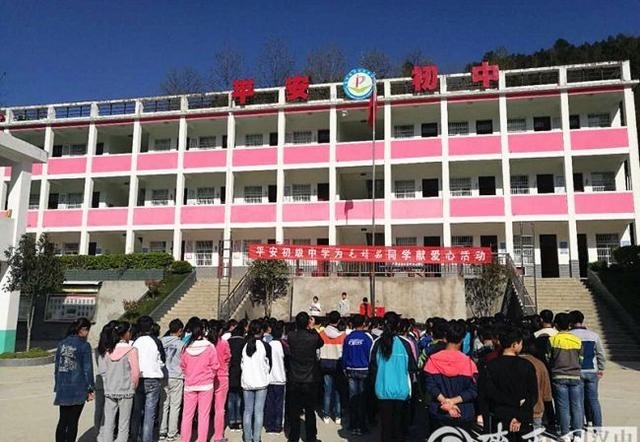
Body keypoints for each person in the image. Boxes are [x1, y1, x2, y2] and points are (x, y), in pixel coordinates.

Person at [479, 328, 538, 441]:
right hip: (522, 419)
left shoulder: (490, 366)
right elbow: (533, 395)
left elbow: (485, 395)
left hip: (498, 417)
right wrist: (519, 417)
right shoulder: (527, 366)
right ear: (514, 344)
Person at [369, 312, 418, 442]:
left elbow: (372, 368)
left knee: (386, 427)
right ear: (398, 325)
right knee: (399, 428)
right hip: (401, 391)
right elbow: (412, 367)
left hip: (382, 390)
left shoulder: (377, 343)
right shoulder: (406, 344)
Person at [425, 321, 478, 430]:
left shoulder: (432, 360)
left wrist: (445, 401)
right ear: (462, 339)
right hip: (463, 412)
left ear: (445, 337)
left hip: (439, 411)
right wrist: (453, 401)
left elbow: (430, 386)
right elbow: (473, 390)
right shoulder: (469, 363)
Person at [97, 321, 140, 442]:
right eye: (129, 332)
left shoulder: (109, 350)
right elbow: (135, 372)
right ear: (126, 333)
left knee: (109, 422)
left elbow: (105, 371)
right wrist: (134, 385)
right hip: (126, 390)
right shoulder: (131, 350)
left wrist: (107, 384)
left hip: (110, 389)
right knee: (123, 423)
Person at [54, 318, 95, 442]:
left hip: (63, 387)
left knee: (62, 420)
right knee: (73, 421)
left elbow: (57, 367)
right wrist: (90, 388)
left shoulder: (62, 344)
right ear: (82, 329)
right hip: (78, 388)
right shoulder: (84, 345)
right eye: (87, 330)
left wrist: (57, 386)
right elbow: (87, 369)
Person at [287, 311, 324, 442]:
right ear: (308, 322)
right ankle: (311, 437)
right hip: (309, 378)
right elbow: (321, 343)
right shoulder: (312, 337)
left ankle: (293, 437)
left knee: (294, 411)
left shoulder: (291, 336)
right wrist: (312, 328)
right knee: (310, 410)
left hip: (294, 378)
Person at [180, 319, 220, 442]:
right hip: (206, 385)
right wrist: (210, 375)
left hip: (190, 384)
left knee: (187, 415)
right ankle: (202, 439)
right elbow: (215, 365)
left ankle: (185, 439)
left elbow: (183, 366)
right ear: (203, 331)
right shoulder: (209, 347)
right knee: (204, 415)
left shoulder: (186, 348)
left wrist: (189, 375)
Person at [549, 313, 584, 441]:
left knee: (563, 407)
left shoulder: (552, 340)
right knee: (577, 406)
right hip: (575, 376)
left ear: (556, 325)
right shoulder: (577, 340)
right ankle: (578, 435)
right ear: (569, 325)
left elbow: (549, 357)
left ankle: (565, 434)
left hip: (559, 375)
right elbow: (581, 358)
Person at [131, 316, 166, 442]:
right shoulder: (156, 341)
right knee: (149, 413)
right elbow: (162, 360)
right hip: (152, 378)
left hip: (138, 378)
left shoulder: (136, 341)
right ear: (151, 326)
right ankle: (147, 439)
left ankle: (135, 437)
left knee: (137, 411)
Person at [570, 310, 605, 428]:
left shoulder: (570, 336)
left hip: (577, 370)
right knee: (593, 400)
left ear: (571, 322)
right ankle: (597, 426)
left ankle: (579, 426)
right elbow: (601, 354)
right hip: (592, 370)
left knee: (578, 401)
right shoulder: (594, 335)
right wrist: (601, 368)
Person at [341, 314, 374, 436]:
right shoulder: (367, 338)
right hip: (364, 370)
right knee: (363, 399)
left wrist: (344, 367)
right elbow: (371, 355)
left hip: (351, 370)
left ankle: (353, 424)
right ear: (364, 324)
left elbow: (344, 354)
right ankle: (362, 425)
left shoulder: (348, 338)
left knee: (353, 398)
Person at [241, 319, 272, 442]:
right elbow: (269, 364)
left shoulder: (245, 345)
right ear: (262, 331)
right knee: (259, 412)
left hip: (247, 382)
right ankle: (257, 437)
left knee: (247, 411)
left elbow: (242, 363)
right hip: (261, 382)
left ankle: (247, 438)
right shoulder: (265, 346)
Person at [520, 334, 553, 430]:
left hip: (518, 408)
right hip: (537, 407)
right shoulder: (539, 364)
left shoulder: (514, 362)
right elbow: (546, 391)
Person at [159, 319, 185, 441]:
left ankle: (162, 430)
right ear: (180, 330)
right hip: (177, 375)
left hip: (163, 374)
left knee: (164, 404)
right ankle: (172, 432)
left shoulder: (161, 342)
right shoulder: (181, 344)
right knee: (175, 405)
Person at [319, 310, 346, 425]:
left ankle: (326, 415)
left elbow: (318, 351)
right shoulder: (343, 335)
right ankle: (338, 415)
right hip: (337, 364)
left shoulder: (321, 334)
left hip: (325, 363)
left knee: (327, 390)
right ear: (339, 320)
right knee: (337, 391)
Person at [210, 320, 232, 442]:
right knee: (219, 408)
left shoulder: (207, 344)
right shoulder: (223, 343)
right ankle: (218, 435)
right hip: (222, 375)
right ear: (221, 330)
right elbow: (228, 358)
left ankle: (204, 433)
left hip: (208, 376)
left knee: (205, 408)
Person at [264, 322, 288, 434]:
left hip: (269, 378)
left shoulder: (267, 345)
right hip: (280, 378)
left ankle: (269, 425)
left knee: (269, 403)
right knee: (279, 404)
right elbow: (287, 360)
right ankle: (278, 426)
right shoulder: (283, 345)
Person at [227, 320, 247, 432]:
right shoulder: (244, 342)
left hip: (230, 372)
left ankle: (231, 420)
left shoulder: (228, 342)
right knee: (239, 398)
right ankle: (238, 420)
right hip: (240, 372)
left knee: (231, 398)